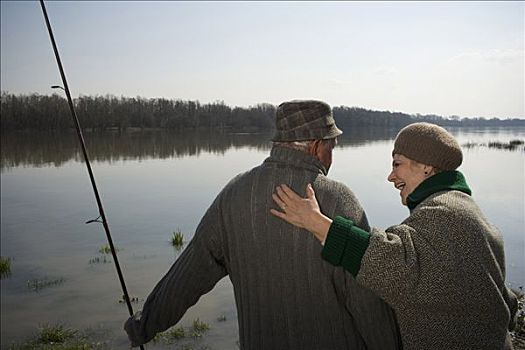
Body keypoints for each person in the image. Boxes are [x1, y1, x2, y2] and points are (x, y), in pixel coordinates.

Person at [124, 100, 402, 349]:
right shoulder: (338, 200)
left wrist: (143, 326)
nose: (332, 156)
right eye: (332, 146)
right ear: (317, 146)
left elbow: (187, 277)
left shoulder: (234, 194)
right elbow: (367, 298)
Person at [271, 122, 518, 350]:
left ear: (426, 167)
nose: (391, 176)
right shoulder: (465, 209)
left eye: (397, 164)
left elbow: (390, 264)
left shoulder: (442, 213)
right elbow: (502, 296)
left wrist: (316, 222)